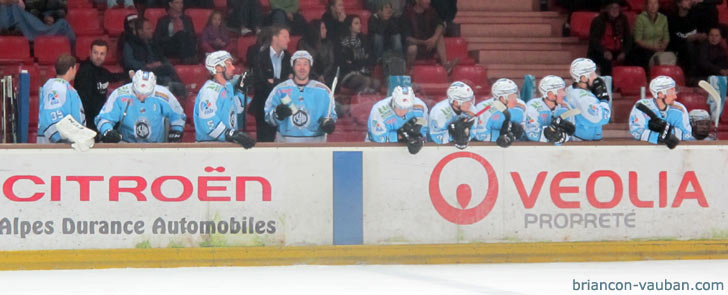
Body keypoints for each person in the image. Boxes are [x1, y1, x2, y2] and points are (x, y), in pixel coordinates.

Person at [263, 50, 337, 142]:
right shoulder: (279, 89)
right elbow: (268, 119)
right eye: (298, 64)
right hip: (285, 146)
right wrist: (277, 114)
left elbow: (331, 117)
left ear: (310, 67)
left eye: (305, 64)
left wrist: (327, 124)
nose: (302, 68)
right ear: (293, 67)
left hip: (315, 147)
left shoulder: (323, 91)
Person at [95, 71, 187, 143]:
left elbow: (179, 115)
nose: (142, 97)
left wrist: (177, 131)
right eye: (138, 93)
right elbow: (103, 118)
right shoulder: (120, 94)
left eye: (146, 94)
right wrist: (107, 131)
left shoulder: (163, 94)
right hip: (126, 146)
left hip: (156, 147)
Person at [193, 51, 256, 148]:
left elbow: (236, 110)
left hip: (225, 146)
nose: (233, 68)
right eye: (228, 64)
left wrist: (241, 90)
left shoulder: (227, 87)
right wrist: (231, 134)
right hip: (208, 148)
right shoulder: (209, 91)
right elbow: (209, 123)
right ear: (218, 68)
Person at [75, 39, 130, 132]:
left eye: (102, 54)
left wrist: (129, 74)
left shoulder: (102, 71)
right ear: (90, 53)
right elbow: (85, 103)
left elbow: (113, 77)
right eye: (95, 53)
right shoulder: (84, 72)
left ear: (106, 55)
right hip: (88, 122)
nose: (98, 57)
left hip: (99, 117)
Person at [123, 17, 184, 96]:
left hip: (156, 71)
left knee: (167, 77)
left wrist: (162, 63)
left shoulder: (154, 43)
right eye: (148, 29)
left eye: (151, 28)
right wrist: (147, 65)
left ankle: (172, 88)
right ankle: (180, 87)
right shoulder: (130, 44)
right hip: (142, 72)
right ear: (140, 31)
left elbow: (162, 57)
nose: (152, 31)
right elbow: (129, 61)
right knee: (167, 70)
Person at [628, 75, 693, 148]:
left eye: (675, 91)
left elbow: (686, 134)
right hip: (645, 151)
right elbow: (637, 132)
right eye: (671, 92)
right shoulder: (642, 107)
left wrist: (664, 131)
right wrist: (660, 136)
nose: (675, 96)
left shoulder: (679, 109)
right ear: (660, 94)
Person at [252, 25, 292, 142]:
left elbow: (290, 82)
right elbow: (259, 84)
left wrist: (273, 82)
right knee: (265, 143)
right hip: (263, 107)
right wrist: (281, 83)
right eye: (285, 37)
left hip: (285, 107)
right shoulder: (260, 56)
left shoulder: (289, 57)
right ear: (275, 38)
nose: (288, 40)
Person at [367, 86, 429, 154]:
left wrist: (419, 139)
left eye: (406, 108)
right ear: (393, 102)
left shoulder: (420, 107)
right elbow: (379, 138)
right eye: (399, 107)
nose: (402, 111)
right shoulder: (378, 111)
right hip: (376, 149)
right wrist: (401, 136)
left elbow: (424, 129)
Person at [37, 54, 84, 143]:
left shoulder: (66, 88)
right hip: (56, 148)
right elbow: (50, 117)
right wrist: (58, 140)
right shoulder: (56, 87)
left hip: (69, 145)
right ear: (71, 69)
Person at [564, 57, 611, 141]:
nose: (596, 77)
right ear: (583, 78)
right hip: (582, 143)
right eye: (593, 74)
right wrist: (604, 100)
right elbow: (600, 118)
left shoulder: (572, 90)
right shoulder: (583, 98)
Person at [405, 0, 458, 72]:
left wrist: (434, 38)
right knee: (412, 48)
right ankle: (408, 70)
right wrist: (423, 42)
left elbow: (440, 25)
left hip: (429, 46)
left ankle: (445, 65)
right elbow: (407, 38)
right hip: (416, 48)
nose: (429, 1)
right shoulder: (407, 13)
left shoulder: (431, 11)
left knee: (439, 36)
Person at [473, 78, 527, 148]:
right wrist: (501, 135)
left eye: (516, 94)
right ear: (502, 98)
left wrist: (516, 134)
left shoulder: (521, 106)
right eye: (512, 96)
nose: (516, 98)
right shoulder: (483, 108)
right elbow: (481, 136)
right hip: (489, 148)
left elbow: (525, 131)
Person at [524, 75, 576, 143]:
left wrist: (563, 135)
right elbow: (531, 133)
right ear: (550, 94)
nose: (564, 94)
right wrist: (548, 132)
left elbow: (570, 134)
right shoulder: (533, 106)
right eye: (560, 91)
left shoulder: (565, 107)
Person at [586, 0, 632, 76]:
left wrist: (624, 52)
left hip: (618, 51)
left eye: (617, 8)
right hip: (601, 51)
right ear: (607, 9)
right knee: (605, 63)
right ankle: (608, 85)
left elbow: (628, 38)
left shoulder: (623, 19)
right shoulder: (599, 21)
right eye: (612, 8)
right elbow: (594, 41)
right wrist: (604, 51)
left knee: (634, 57)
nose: (615, 10)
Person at [336, 15, 379, 94]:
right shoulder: (342, 42)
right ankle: (357, 103)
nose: (360, 25)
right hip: (347, 74)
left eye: (360, 23)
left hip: (363, 72)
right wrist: (361, 62)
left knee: (376, 83)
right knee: (366, 81)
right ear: (349, 26)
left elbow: (372, 58)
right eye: (356, 23)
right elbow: (343, 63)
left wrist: (357, 62)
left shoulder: (364, 40)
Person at [428, 81, 477, 149]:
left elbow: (474, 132)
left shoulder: (471, 109)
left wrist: (465, 136)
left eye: (471, 99)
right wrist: (454, 134)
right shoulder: (439, 112)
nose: (470, 103)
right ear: (455, 102)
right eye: (466, 100)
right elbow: (437, 138)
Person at [668, 0, 705, 78]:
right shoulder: (672, 19)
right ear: (679, 4)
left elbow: (703, 31)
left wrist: (702, 35)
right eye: (686, 0)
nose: (690, 2)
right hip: (681, 47)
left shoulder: (696, 15)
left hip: (697, 44)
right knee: (688, 46)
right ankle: (690, 77)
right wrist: (687, 39)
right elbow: (672, 39)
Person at [629, 0, 669, 70]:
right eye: (650, 3)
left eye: (655, 3)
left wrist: (663, 46)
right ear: (646, 6)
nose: (653, 6)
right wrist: (653, 47)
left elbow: (666, 36)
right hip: (644, 49)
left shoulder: (663, 18)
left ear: (658, 5)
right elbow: (637, 40)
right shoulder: (640, 18)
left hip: (659, 48)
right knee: (645, 55)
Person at [154, 0, 198, 64]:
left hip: (185, 46)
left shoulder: (187, 19)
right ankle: (188, 60)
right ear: (170, 4)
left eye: (181, 3)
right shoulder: (163, 20)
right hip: (169, 47)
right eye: (177, 2)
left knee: (182, 35)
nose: (180, 5)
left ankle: (187, 59)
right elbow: (157, 39)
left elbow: (192, 36)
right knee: (180, 34)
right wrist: (174, 37)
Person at [298, 20, 336, 85]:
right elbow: (305, 62)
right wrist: (317, 77)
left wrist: (323, 76)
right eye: (323, 28)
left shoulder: (328, 43)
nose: (326, 30)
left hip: (326, 75)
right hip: (310, 75)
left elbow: (331, 62)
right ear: (316, 29)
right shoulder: (303, 43)